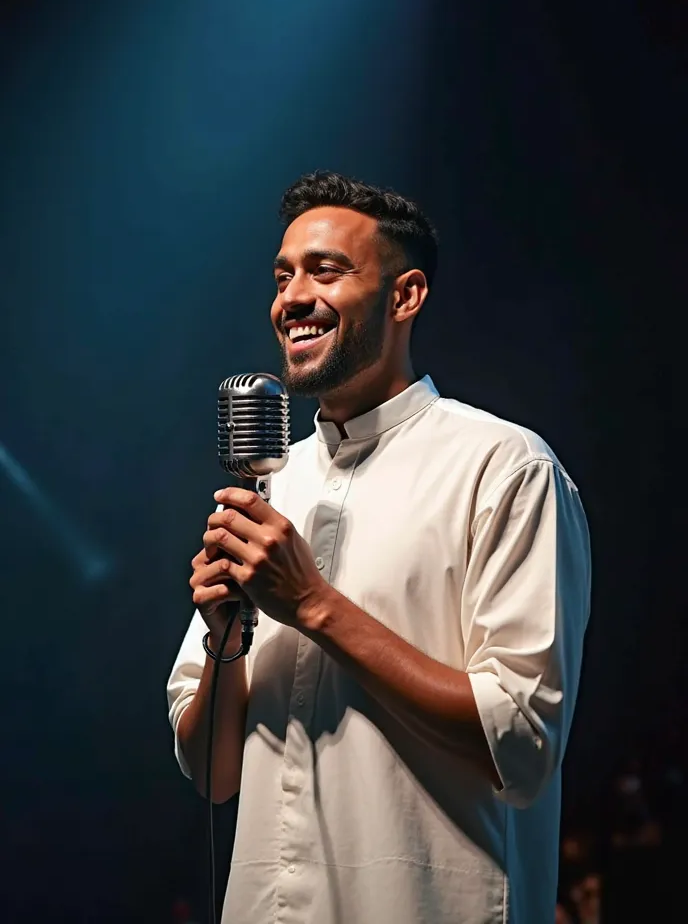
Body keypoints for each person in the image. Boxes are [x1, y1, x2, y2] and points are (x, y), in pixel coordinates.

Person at [167, 171, 591, 924]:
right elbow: (212, 774)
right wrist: (226, 637)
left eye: (326, 271)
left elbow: (521, 744)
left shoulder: (504, 467)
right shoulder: (271, 482)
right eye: (283, 275)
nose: (291, 297)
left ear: (405, 296)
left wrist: (312, 605)